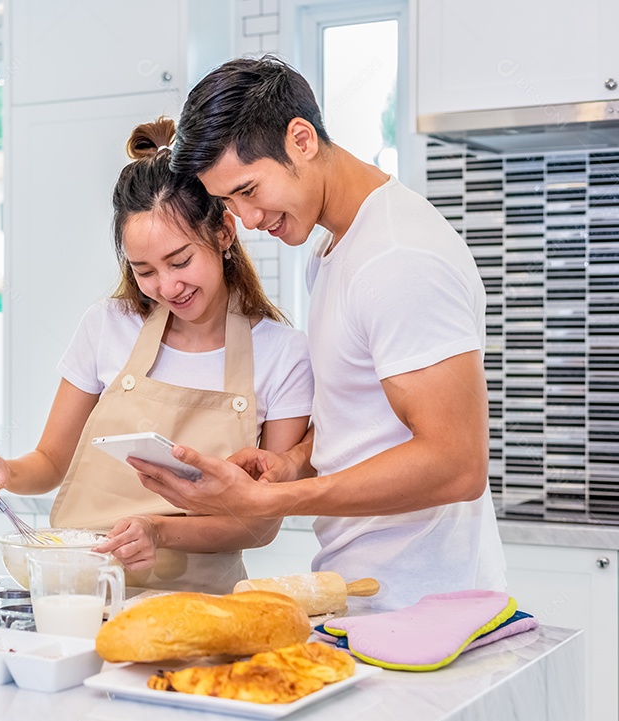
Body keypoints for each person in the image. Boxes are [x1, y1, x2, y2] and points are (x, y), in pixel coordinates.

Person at [132, 56, 505, 610]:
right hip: (365, 589)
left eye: (249, 189)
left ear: (301, 139)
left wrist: (274, 503)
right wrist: (291, 465)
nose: (249, 219)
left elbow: (458, 464)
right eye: (229, 202)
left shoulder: (399, 257)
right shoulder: (330, 250)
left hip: (429, 602)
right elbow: (366, 424)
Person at [0, 117, 313, 594]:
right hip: (77, 595)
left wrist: (158, 531)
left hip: (200, 608)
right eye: (145, 271)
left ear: (224, 233)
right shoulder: (107, 324)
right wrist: (5, 471)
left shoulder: (283, 354)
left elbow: (260, 524)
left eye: (180, 261)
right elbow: (52, 462)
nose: (167, 287)